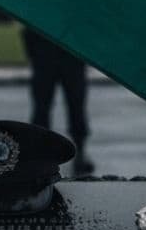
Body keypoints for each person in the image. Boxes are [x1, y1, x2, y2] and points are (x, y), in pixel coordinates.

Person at [22, 25, 94, 174]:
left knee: (44, 108)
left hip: (47, 54)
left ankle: (40, 153)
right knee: (73, 106)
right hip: (68, 54)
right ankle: (78, 153)